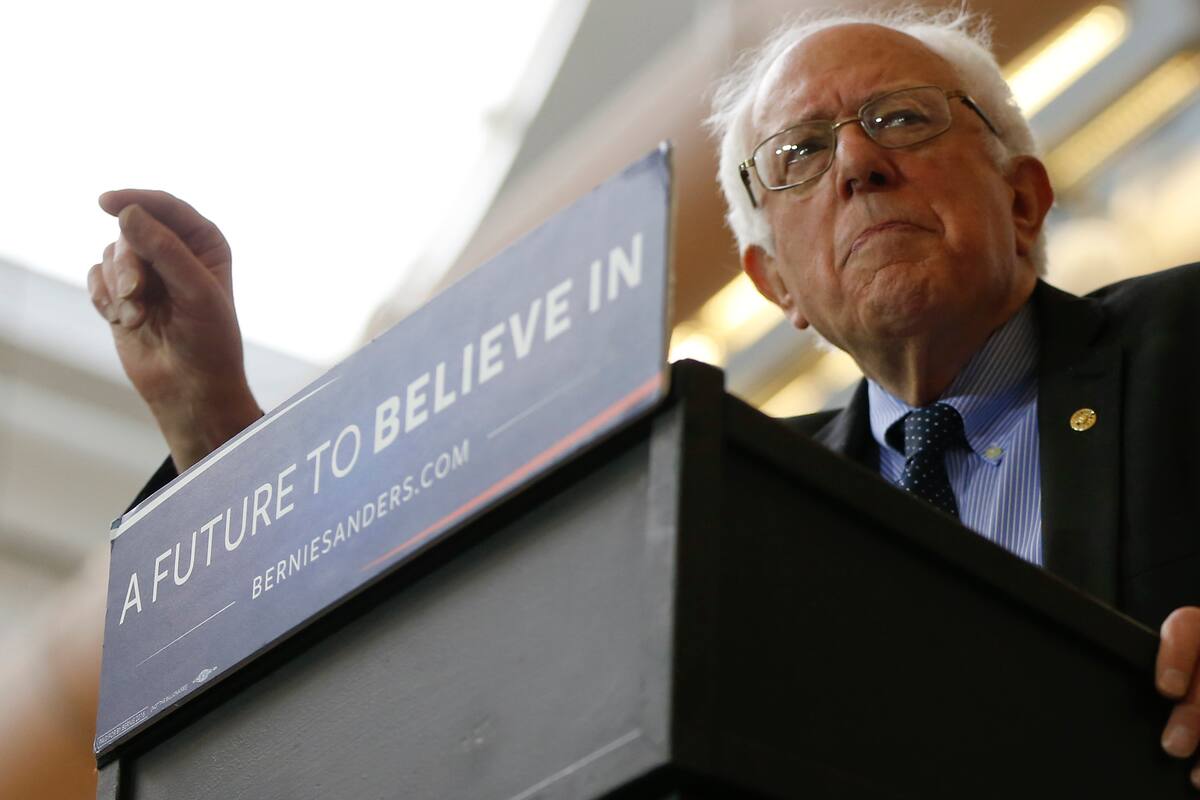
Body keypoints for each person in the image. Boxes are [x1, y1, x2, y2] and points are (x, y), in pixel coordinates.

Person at [88, 5, 1200, 787]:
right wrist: (215, 427)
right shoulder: (726, 503)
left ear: (1023, 199)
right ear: (778, 288)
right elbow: (461, 698)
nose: (858, 164)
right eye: (798, 155)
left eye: (903, 118)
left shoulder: (1184, 342)